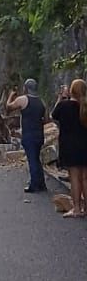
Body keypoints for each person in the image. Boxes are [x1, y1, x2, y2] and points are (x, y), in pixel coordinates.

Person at [52, 80, 87, 216]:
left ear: (71, 91)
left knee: (74, 178)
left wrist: (60, 98)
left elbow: (53, 116)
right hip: (85, 146)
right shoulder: (84, 106)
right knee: (85, 177)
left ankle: (77, 209)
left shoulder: (64, 105)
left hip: (70, 146)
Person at [6, 78, 47, 192]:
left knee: (32, 160)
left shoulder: (23, 99)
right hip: (39, 133)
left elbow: (8, 107)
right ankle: (42, 184)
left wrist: (10, 96)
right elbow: (46, 118)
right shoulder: (41, 101)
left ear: (25, 88)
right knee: (36, 158)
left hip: (29, 133)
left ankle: (34, 185)